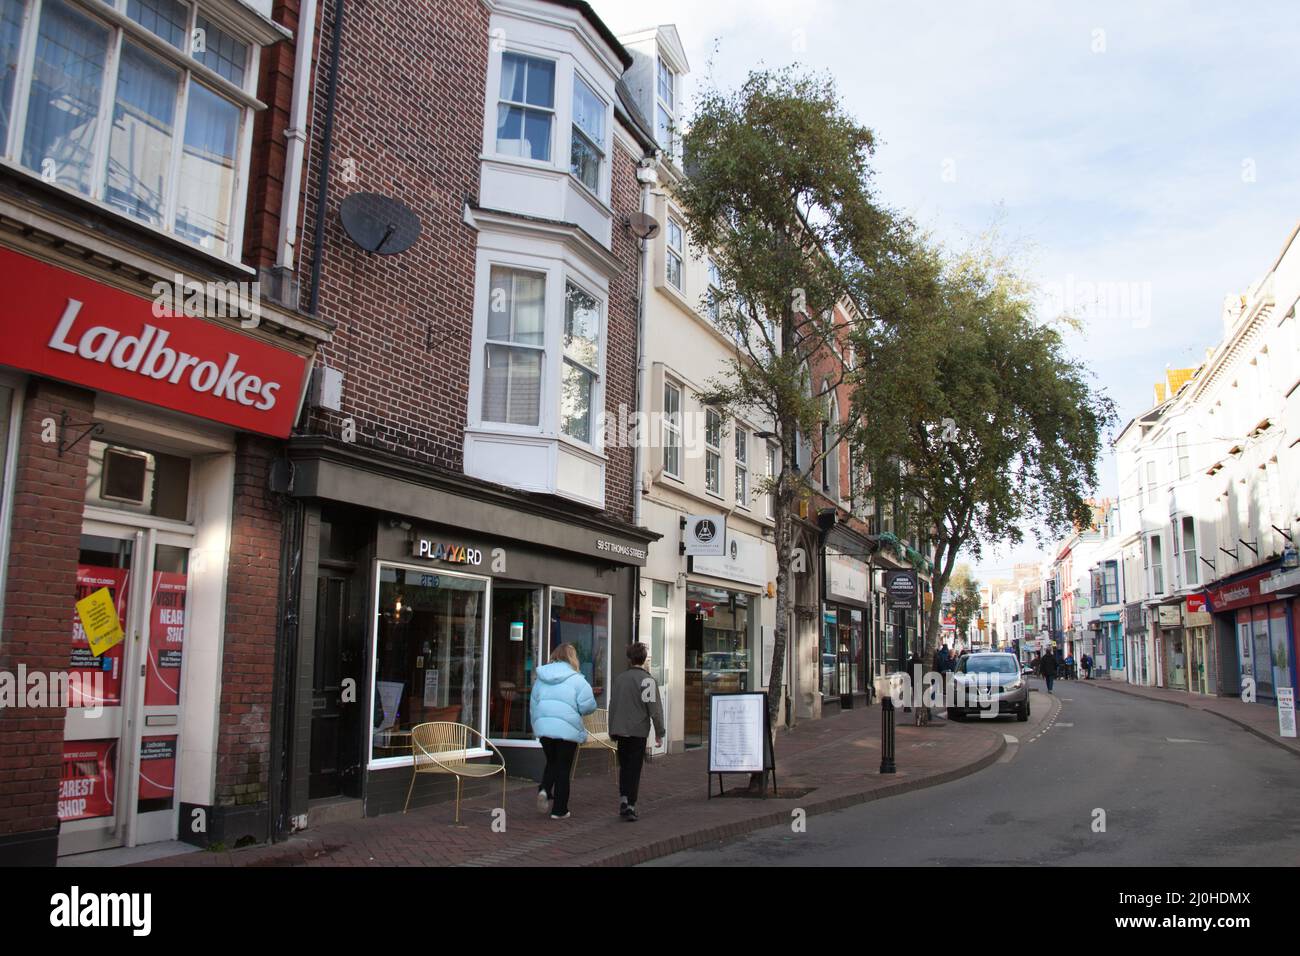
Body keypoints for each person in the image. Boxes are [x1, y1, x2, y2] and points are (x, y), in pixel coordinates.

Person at [530, 643, 597, 819]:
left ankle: (545, 789)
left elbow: (533, 705)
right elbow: (588, 706)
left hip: (545, 729)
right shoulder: (577, 679)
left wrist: (537, 726)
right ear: (572, 657)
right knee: (563, 769)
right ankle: (559, 810)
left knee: (552, 762)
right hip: (568, 731)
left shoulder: (540, 678)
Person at [608, 642, 666, 822]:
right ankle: (630, 804)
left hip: (620, 730)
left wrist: (612, 729)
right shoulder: (647, 681)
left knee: (625, 767)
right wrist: (660, 731)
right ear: (644, 659)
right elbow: (654, 709)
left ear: (629, 659)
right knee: (634, 768)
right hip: (638, 731)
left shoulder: (620, 679)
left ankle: (623, 798)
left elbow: (613, 705)